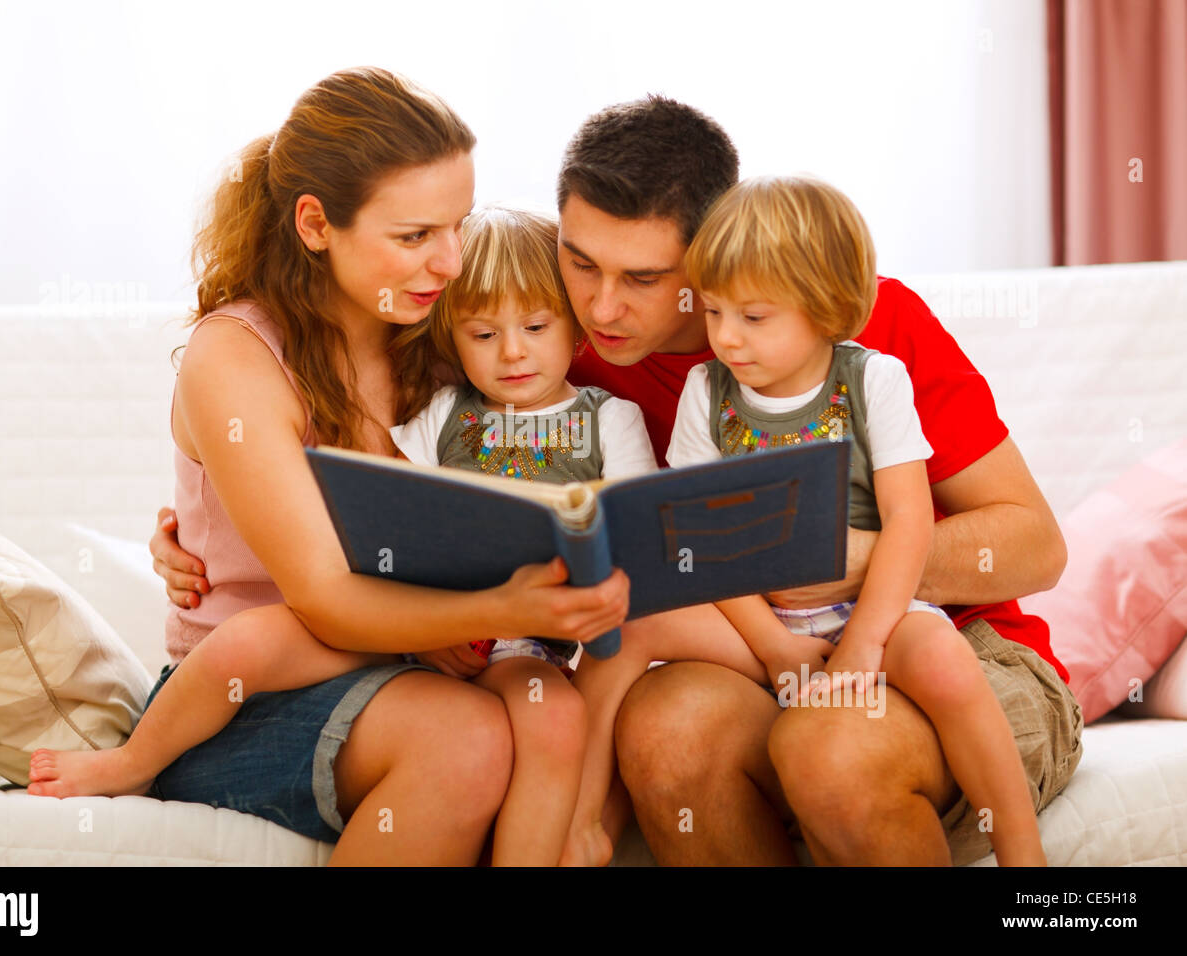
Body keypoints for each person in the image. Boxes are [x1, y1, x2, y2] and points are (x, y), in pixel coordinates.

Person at [152, 93, 1082, 866]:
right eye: (581, 262)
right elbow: (387, 464)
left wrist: (849, 559)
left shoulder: (856, 324)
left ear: (715, 254)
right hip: (759, 652)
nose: (602, 306)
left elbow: (1034, 545)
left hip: (948, 651)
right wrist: (195, 540)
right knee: (667, 732)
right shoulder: (554, 358)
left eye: (643, 279)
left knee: (833, 748)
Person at [38, 67, 629, 867]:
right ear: (316, 225)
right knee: (469, 741)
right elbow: (321, 598)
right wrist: (492, 608)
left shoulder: (442, 327)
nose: (451, 261)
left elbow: (563, 437)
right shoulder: (238, 356)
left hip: (418, 656)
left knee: (540, 723)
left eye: (456, 224)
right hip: (255, 693)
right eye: (415, 236)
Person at [664, 174, 1046, 865]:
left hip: (879, 608)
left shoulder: (874, 380)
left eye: (753, 318)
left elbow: (908, 521)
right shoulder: (706, 393)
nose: (725, 338)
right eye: (714, 312)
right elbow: (701, 537)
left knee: (946, 663)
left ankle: (1027, 861)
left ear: (827, 308)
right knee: (640, 631)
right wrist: (777, 650)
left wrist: (867, 641)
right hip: (769, 624)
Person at [384, 203, 655, 864]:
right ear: (451, 336)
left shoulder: (611, 420)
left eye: (535, 326)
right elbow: (387, 523)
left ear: (576, 328)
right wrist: (429, 623)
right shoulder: (442, 414)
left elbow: (638, 539)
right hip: (439, 636)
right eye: (482, 334)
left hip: (543, 648)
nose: (512, 352)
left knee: (554, 715)